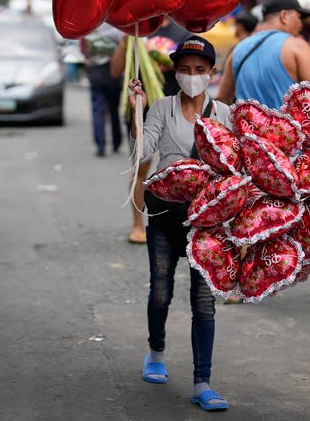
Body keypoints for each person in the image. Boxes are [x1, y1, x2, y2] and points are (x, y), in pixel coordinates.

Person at [217, 0, 310, 304]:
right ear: (283, 16)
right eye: (297, 18)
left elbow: (224, 100)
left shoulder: (239, 49)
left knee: (251, 212)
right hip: (292, 152)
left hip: (251, 150)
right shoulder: (295, 46)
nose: (300, 25)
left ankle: (239, 288)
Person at [128, 36, 232, 412]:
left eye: (200, 71)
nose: (192, 77)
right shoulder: (162, 108)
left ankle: (202, 381)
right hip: (165, 215)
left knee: (204, 303)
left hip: (207, 223)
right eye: (185, 70)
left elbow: (233, 169)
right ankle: (156, 352)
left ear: (211, 74)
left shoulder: (224, 115)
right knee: (160, 291)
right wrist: (137, 113)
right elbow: (144, 150)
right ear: (176, 72)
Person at [82, 24, 124, 157]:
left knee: (97, 110)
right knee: (114, 109)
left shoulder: (91, 28)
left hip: (96, 74)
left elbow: (84, 51)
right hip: (114, 74)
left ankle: (100, 144)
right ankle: (116, 142)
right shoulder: (117, 29)